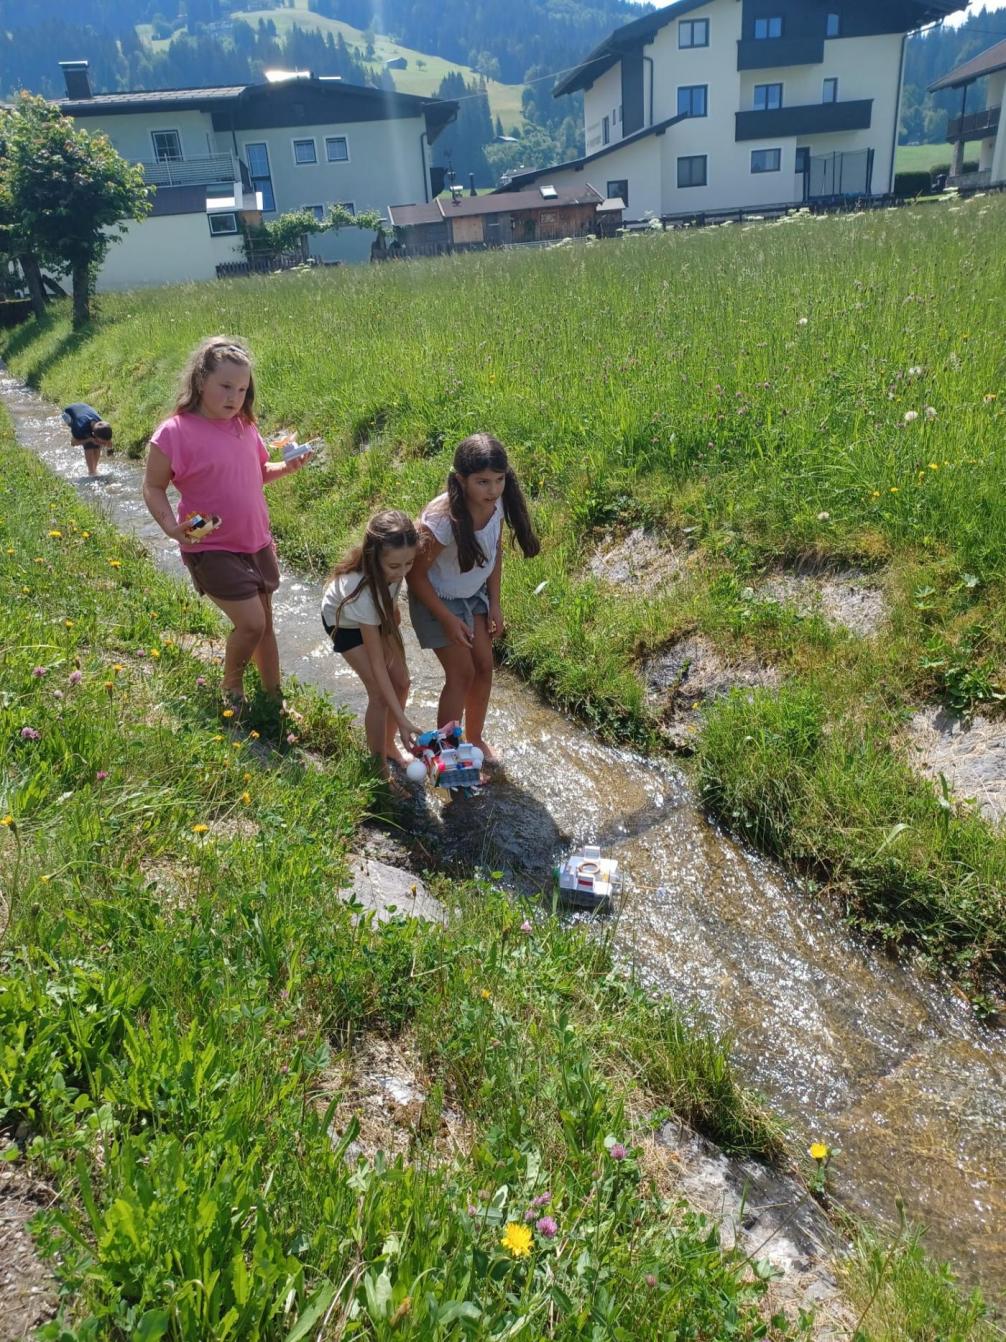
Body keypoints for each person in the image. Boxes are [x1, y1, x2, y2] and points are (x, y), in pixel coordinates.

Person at [141, 335, 313, 715]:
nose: (234, 396)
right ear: (201, 381)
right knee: (251, 623)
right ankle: (232, 685)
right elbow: (153, 487)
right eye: (225, 386)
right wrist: (172, 527)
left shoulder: (244, 426)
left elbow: (256, 472)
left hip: (256, 541)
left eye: (241, 388)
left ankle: (274, 700)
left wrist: (287, 467)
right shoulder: (173, 432)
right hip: (209, 543)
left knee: (266, 624)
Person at [407, 433, 539, 763]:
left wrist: (495, 602)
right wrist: (447, 619)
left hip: (473, 595)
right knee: (461, 673)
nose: (492, 490)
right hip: (435, 600)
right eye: (482, 482)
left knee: (484, 666)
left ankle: (475, 739)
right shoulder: (442, 519)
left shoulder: (498, 502)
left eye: (499, 480)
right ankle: (447, 756)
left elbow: (494, 551)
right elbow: (415, 575)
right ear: (461, 480)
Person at [321, 509, 420, 777]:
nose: (402, 573)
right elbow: (377, 664)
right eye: (395, 566)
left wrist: (392, 612)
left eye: (408, 564)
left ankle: (388, 747)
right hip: (345, 624)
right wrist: (402, 720)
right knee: (378, 694)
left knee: (402, 682)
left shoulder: (392, 568)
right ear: (374, 557)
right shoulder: (363, 593)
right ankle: (378, 771)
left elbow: (390, 594)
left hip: (376, 614)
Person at [62, 402, 113, 478]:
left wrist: (109, 450)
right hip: (69, 412)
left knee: (96, 444)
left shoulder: (102, 426)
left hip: (83, 408)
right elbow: (73, 443)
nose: (103, 444)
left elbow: (108, 442)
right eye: (102, 442)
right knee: (89, 444)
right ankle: (91, 472)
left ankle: (95, 469)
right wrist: (89, 440)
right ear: (94, 434)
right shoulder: (80, 427)